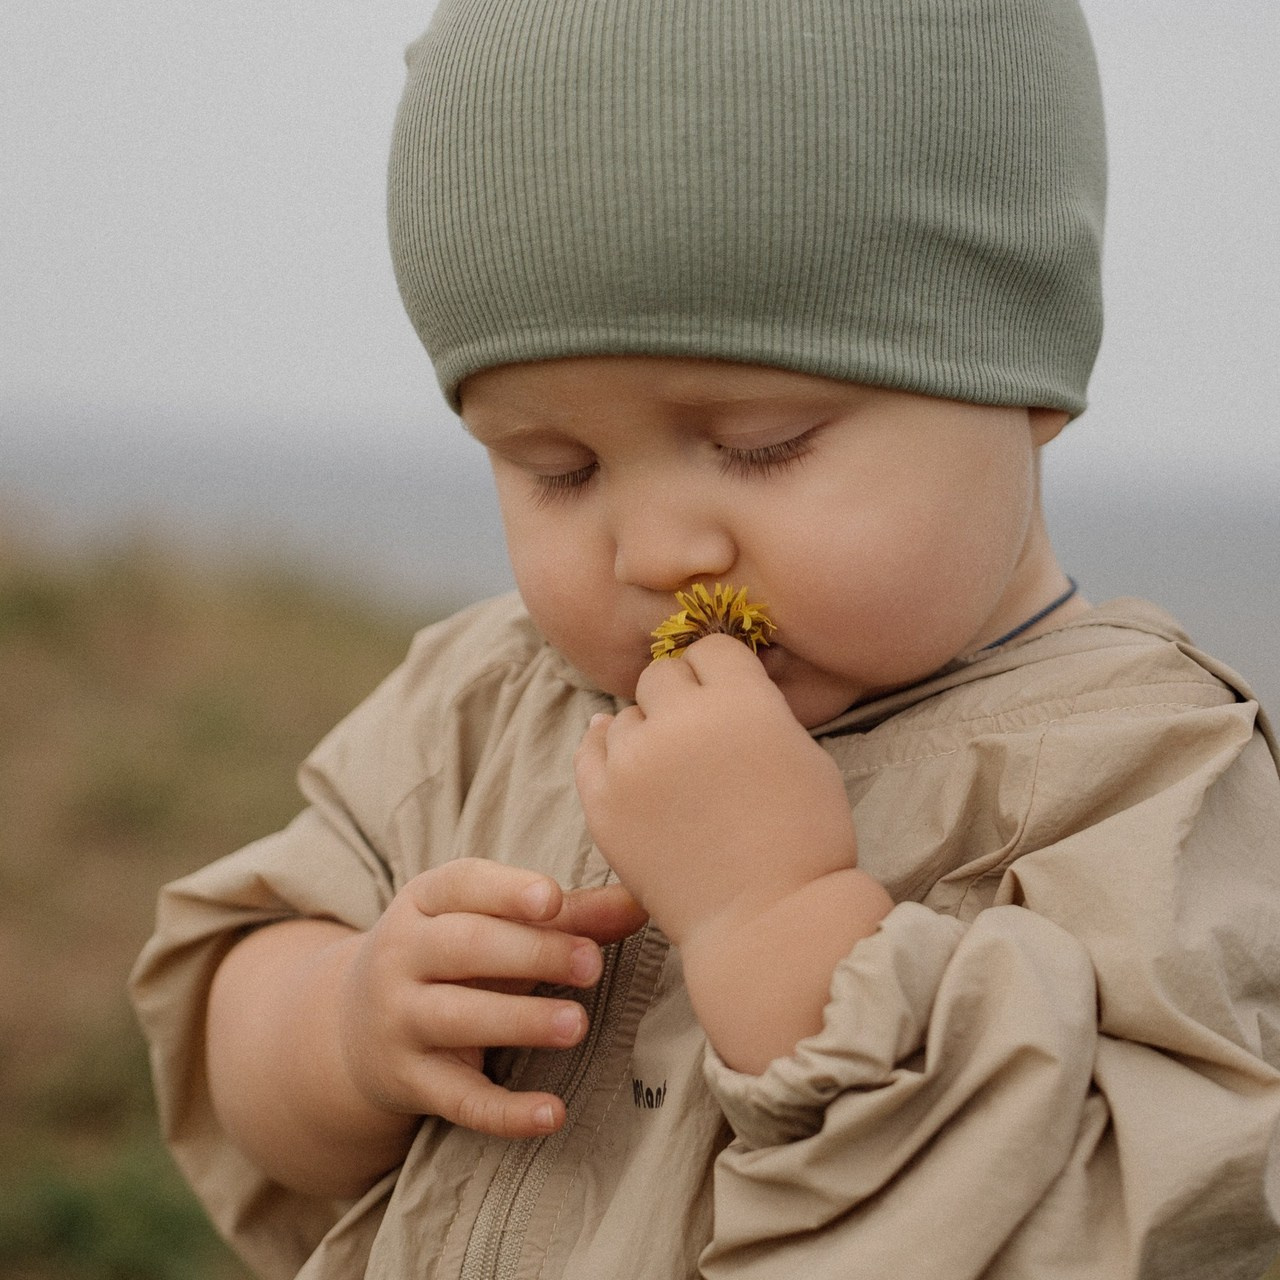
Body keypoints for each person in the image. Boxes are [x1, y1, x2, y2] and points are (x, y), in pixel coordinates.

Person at [130, 1, 1280, 1276]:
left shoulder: (1146, 778)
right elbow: (238, 1004)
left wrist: (774, 920)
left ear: (1021, 376)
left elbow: (1148, 1218)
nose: (655, 551)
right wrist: (346, 1027)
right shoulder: (483, 698)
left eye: (760, 443)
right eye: (555, 466)